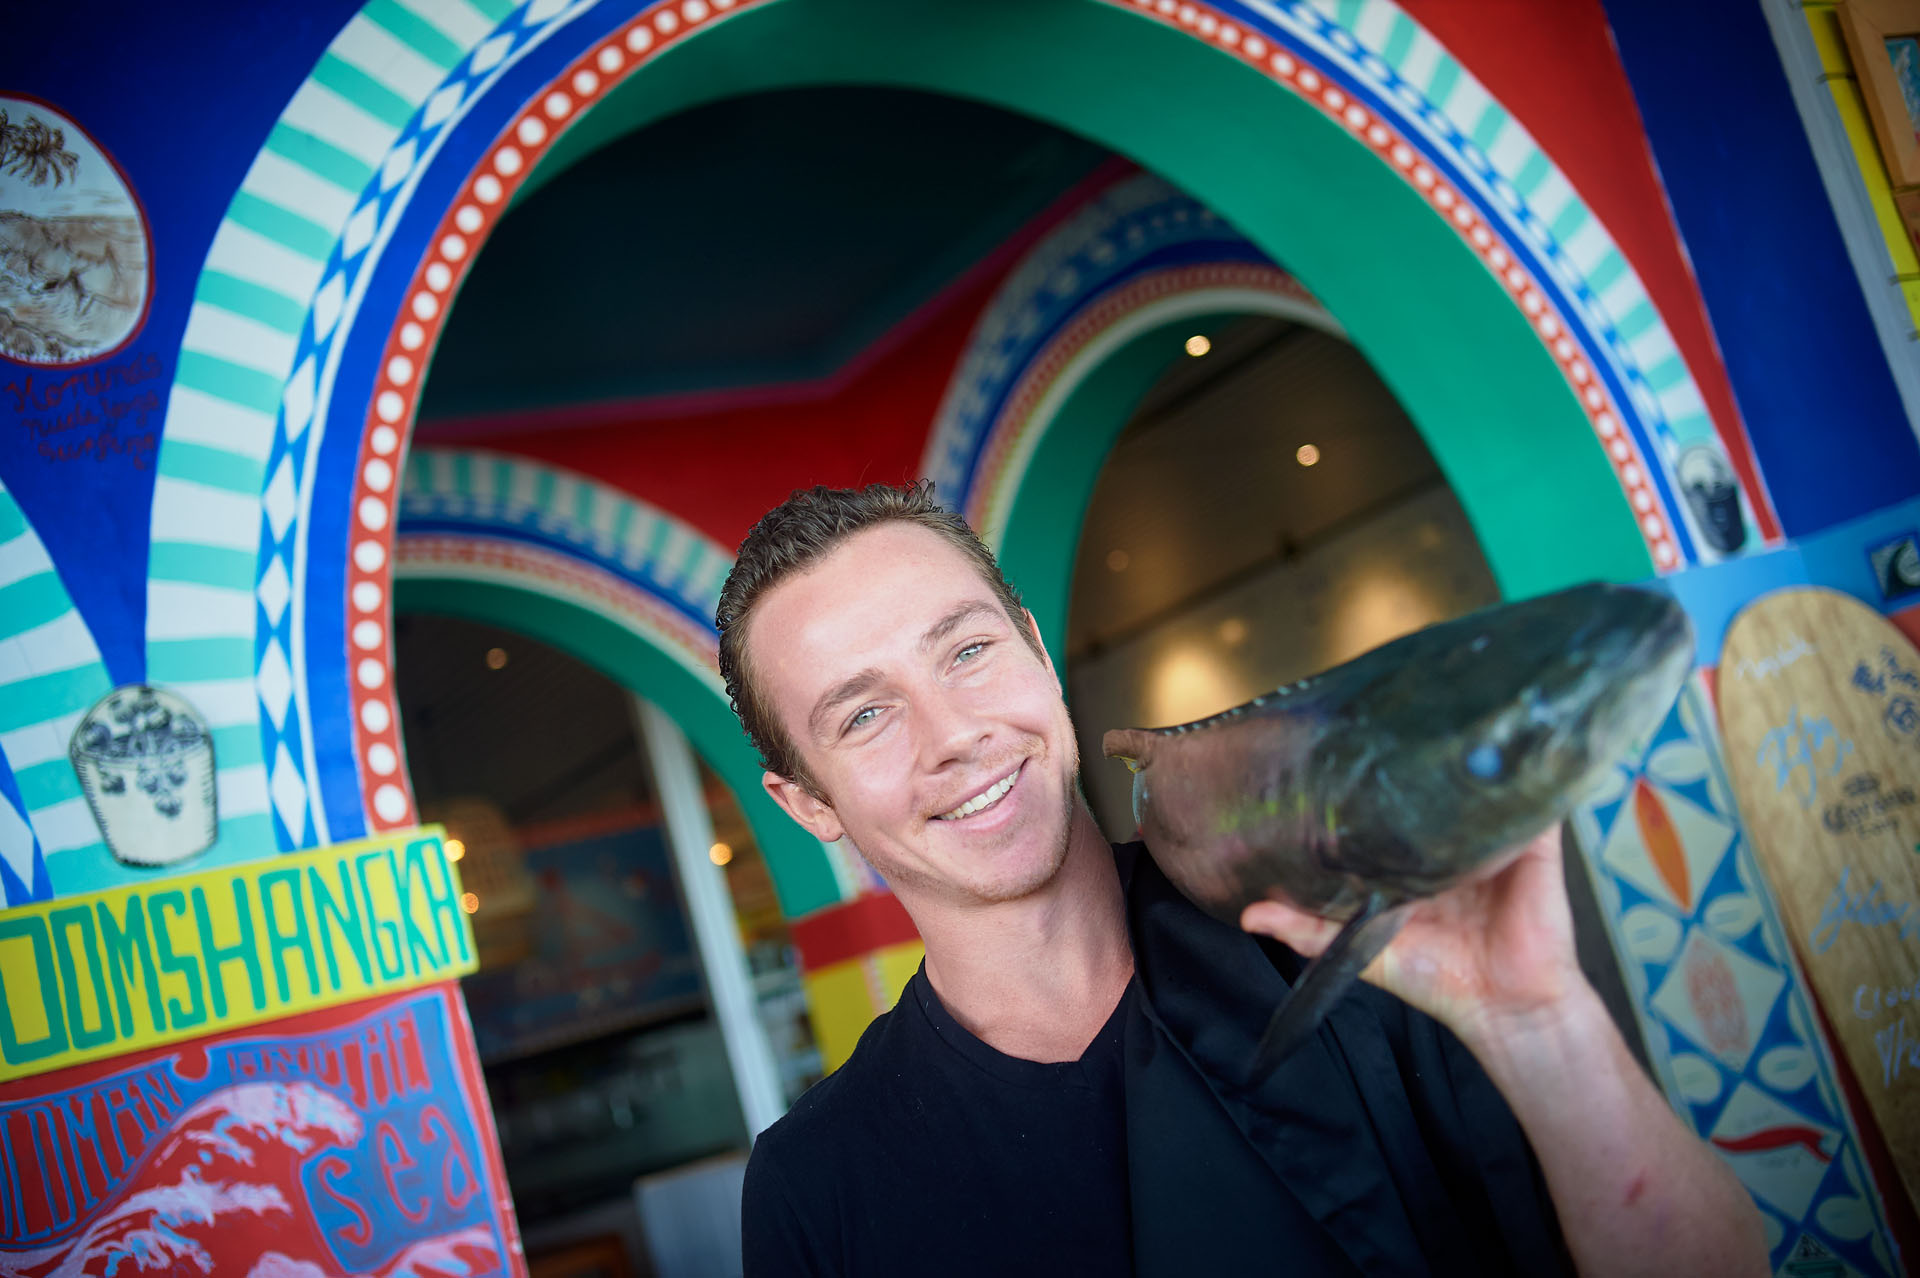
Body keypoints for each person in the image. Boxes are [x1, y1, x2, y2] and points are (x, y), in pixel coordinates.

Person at [719, 482, 1767, 1277]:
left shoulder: (1352, 945)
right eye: (864, 714)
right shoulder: (821, 1182)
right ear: (809, 802)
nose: (956, 734)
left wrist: (1540, 1019)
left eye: (968, 650)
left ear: (1036, 651)